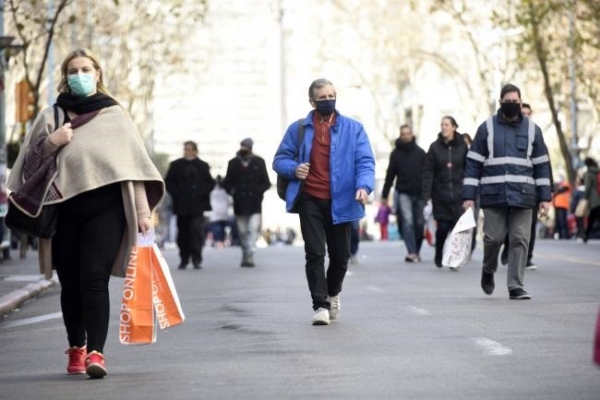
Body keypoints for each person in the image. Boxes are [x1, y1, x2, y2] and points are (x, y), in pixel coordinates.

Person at [6, 48, 165, 378]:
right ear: (66, 77)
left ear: (98, 73)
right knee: (71, 283)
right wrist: (53, 141)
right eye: (73, 70)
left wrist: (142, 212)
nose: (80, 75)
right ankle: (76, 347)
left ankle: (96, 353)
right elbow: (28, 165)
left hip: (107, 210)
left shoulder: (116, 116)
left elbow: (131, 169)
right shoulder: (53, 115)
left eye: (86, 69)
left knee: (94, 278)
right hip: (63, 210)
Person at [272, 78, 375, 325]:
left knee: (340, 256)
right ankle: (320, 305)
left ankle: (333, 292)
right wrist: (294, 169)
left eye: (332, 95)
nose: (329, 100)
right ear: (312, 101)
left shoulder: (354, 128)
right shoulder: (298, 129)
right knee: (315, 253)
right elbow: (279, 159)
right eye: (324, 97)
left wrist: (364, 186)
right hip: (310, 199)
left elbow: (365, 162)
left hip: (343, 200)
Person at [463, 83, 551, 300]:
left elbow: (541, 165)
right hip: (494, 195)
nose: (512, 105)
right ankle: (488, 269)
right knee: (493, 239)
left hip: (524, 196)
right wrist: (468, 196)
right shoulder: (487, 128)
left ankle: (515, 286)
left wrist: (545, 198)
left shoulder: (533, 130)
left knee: (520, 239)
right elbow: (473, 163)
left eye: (516, 102)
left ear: (521, 103)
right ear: (500, 103)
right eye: (508, 102)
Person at [498, 103, 549, 270]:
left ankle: (527, 258)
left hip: (531, 191)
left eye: (529, 113)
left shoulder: (536, 134)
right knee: (509, 224)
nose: (526, 115)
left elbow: (544, 165)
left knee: (530, 226)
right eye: (523, 112)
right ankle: (507, 248)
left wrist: (547, 193)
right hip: (511, 189)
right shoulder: (509, 136)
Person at [422, 116, 468, 268]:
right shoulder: (434, 147)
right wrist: (427, 196)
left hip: (458, 195)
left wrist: (469, 191)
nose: (443, 127)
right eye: (442, 125)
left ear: (454, 127)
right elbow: (428, 172)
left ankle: (455, 259)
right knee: (442, 228)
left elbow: (468, 169)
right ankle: (439, 252)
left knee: (458, 229)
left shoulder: (462, 146)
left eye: (447, 125)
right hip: (440, 195)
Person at [165, 141, 214, 269]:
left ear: (195, 150)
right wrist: (177, 193)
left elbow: (210, 183)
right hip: (181, 205)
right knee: (183, 232)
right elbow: (168, 182)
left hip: (198, 206)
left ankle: (197, 258)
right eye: (185, 149)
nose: (187, 151)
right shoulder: (176, 165)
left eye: (189, 149)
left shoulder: (202, 165)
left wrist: (201, 192)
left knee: (196, 231)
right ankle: (184, 258)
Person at [381, 124, 426, 262]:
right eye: (403, 134)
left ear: (412, 134)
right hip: (403, 192)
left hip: (419, 193)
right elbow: (390, 174)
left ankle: (416, 250)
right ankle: (411, 251)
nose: (406, 136)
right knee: (407, 222)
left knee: (419, 223)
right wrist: (385, 194)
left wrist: (428, 193)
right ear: (400, 135)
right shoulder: (395, 154)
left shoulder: (420, 153)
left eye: (408, 133)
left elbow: (427, 174)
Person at [224, 138, 271, 267]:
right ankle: (245, 251)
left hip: (255, 203)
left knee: (252, 229)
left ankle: (250, 253)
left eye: (246, 146)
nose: (244, 148)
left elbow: (266, 182)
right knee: (242, 231)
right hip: (239, 202)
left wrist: (258, 191)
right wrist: (233, 192)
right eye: (242, 146)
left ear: (251, 147)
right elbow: (227, 182)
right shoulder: (233, 163)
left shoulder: (259, 162)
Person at [209, 175, 231, 249]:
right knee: (221, 227)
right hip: (224, 211)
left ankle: (219, 241)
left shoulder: (212, 191)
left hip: (215, 212)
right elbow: (229, 201)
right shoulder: (226, 191)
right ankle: (221, 241)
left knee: (216, 227)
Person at [583, 157, 600, 243]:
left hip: (595, 200)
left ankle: (586, 235)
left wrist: (585, 198)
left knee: (591, 218)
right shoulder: (598, 171)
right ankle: (586, 235)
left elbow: (588, 187)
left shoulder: (589, 173)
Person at [552, 173, 572, 239]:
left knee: (562, 221)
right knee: (558, 221)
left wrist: (555, 191)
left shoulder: (565, 184)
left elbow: (561, 190)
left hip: (562, 205)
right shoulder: (557, 185)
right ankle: (560, 235)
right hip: (556, 205)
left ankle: (565, 236)